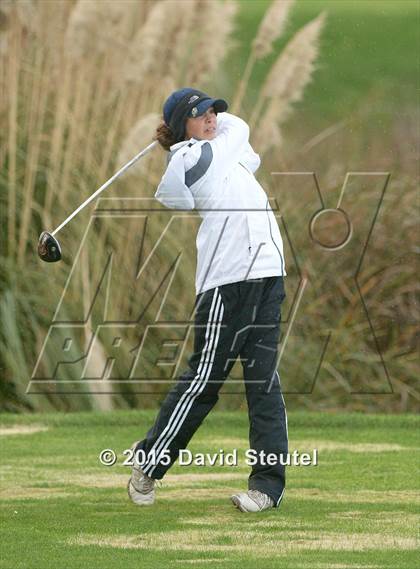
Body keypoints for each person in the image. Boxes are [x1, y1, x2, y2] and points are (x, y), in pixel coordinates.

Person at [127, 88, 288, 513]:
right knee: (204, 382)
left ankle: (267, 488)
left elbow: (239, 128)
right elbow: (175, 191)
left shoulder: (228, 146)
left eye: (212, 111)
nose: (212, 118)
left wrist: (195, 127)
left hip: (269, 273)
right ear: (182, 127)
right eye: (199, 115)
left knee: (263, 382)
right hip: (226, 281)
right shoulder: (186, 161)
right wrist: (180, 142)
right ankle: (149, 463)